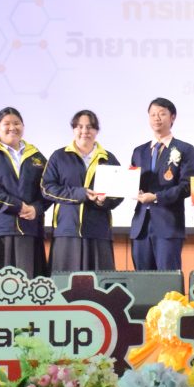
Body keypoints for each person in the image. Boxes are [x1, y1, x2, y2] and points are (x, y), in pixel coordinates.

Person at [0, 107, 48, 281]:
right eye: (6, 124)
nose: (12, 128)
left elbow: (48, 188)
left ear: (23, 126)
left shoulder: (36, 156)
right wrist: (15, 205)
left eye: (17, 123)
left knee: (30, 286)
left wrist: (36, 208)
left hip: (30, 230)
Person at [41, 110, 123, 272]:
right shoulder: (59, 156)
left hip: (98, 230)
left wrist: (104, 201)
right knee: (65, 282)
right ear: (73, 129)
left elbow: (119, 193)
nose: (85, 131)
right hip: (67, 229)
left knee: (99, 282)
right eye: (79, 127)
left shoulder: (108, 158)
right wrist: (81, 193)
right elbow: (47, 188)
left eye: (90, 127)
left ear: (96, 130)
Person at [130, 97, 194, 271]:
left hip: (168, 225)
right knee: (141, 281)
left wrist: (156, 197)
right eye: (152, 114)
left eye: (162, 114)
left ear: (172, 117)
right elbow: (131, 182)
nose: (157, 118)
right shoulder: (139, 151)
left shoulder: (185, 149)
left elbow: (187, 186)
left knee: (168, 280)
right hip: (140, 226)